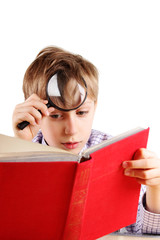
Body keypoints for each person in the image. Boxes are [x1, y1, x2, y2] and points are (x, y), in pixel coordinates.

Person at [12, 46, 160, 234]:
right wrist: (21, 146)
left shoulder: (116, 155)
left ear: (94, 107)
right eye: (56, 115)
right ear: (34, 111)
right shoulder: (21, 150)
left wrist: (156, 188)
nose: (71, 129)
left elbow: (141, 233)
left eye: (81, 112)